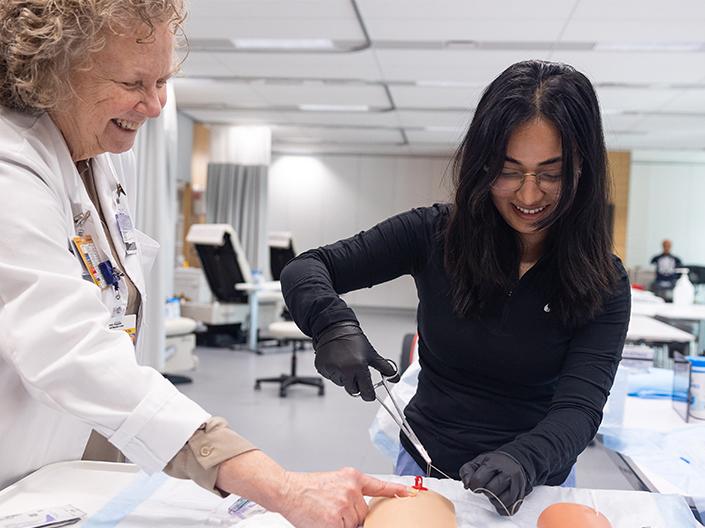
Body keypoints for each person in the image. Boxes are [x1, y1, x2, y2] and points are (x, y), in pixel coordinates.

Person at [0, 2, 411, 526]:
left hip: (73, 460)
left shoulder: (102, 151)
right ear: (51, 72)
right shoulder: (10, 166)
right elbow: (69, 350)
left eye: (163, 80)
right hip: (15, 467)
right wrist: (278, 486)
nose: (154, 105)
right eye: (134, 82)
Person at [281, 60, 631, 516]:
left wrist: (525, 459)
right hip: (426, 463)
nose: (528, 196)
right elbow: (307, 268)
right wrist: (331, 325)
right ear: (482, 165)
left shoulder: (604, 280)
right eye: (508, 171)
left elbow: (580, 410)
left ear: (582, 169)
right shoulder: (433, 234)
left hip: (540, 475)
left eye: (551, 173)